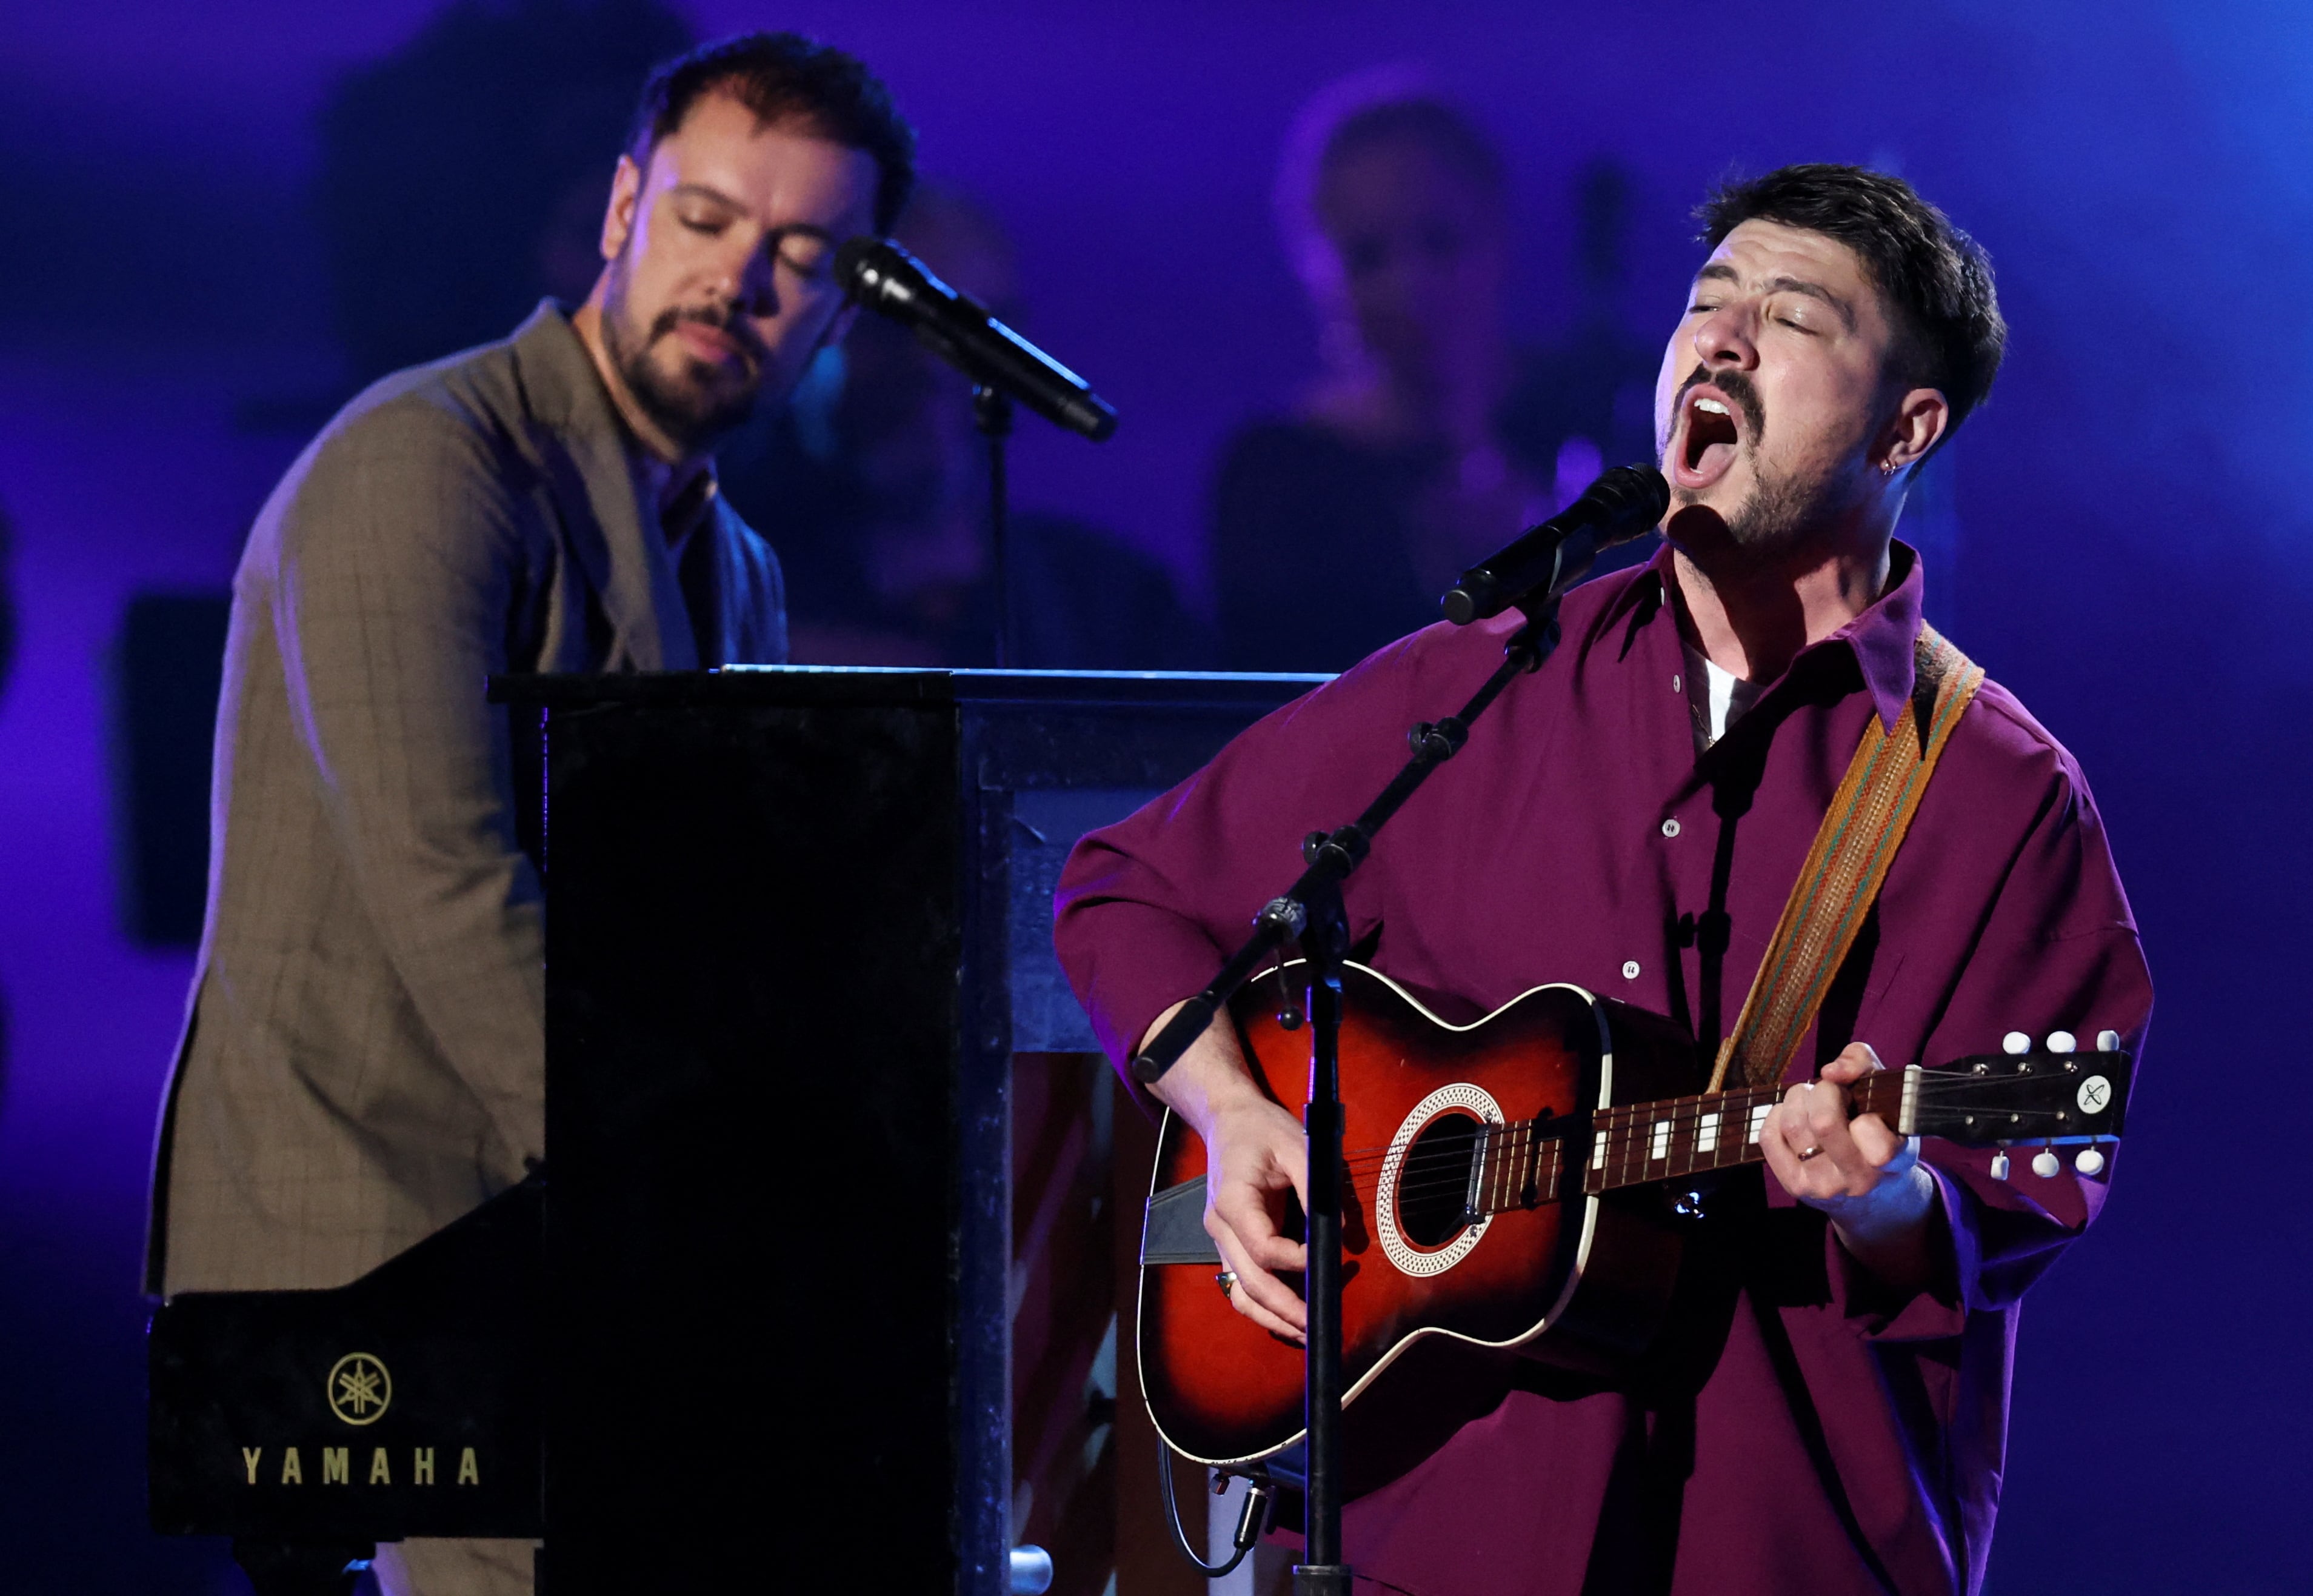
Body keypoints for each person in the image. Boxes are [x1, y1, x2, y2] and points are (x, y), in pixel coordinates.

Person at [1058, 165, 2151, 1594]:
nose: (1723, 341)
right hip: (1438, 1532)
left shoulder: (1997, 793)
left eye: (1791, 317)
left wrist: (1879, 1200)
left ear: (1906, 427)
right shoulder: (1486, 677)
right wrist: (1231, 1111)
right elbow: (1122, 889)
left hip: (1774, 1545)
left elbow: (2019, 1184)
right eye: (1705, 308)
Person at [144, 32, 913, 1596]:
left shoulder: (735, 558)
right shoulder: (427, 465)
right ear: (624, 204)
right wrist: (706, 1199)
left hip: (571, 1247)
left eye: (798, 254)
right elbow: (452, 891)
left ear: (842, 299)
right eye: (706, 220)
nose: (740, 282)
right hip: (371, 1240)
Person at [1210, 78, 1646, 673]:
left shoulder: (1607, 416)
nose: (1408, 284)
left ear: (1500, 236)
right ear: (1317, 274)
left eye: (1440, 241)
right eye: (1368, 255)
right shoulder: (1279, 477)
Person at [717, 185, 1212, 669]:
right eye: (892, 330)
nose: (927, 369)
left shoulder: (1115, 603)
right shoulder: (728, 580)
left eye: (961, 335)